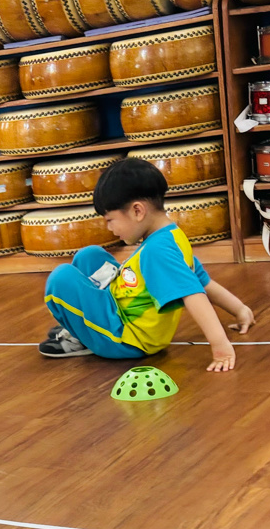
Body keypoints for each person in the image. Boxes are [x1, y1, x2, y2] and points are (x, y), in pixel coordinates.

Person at [39, 158, 254, 371]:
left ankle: (82, 336)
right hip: (120, 313)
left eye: (110, 220)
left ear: (137, 211)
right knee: (90, 255)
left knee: (61, 278)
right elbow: (202, 281)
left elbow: (193, 294)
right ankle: (82, 327)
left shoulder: (157, 251)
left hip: (128, 339)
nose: (109, 229)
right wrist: (240, 309)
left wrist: (220, 346)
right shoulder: (171, 237)